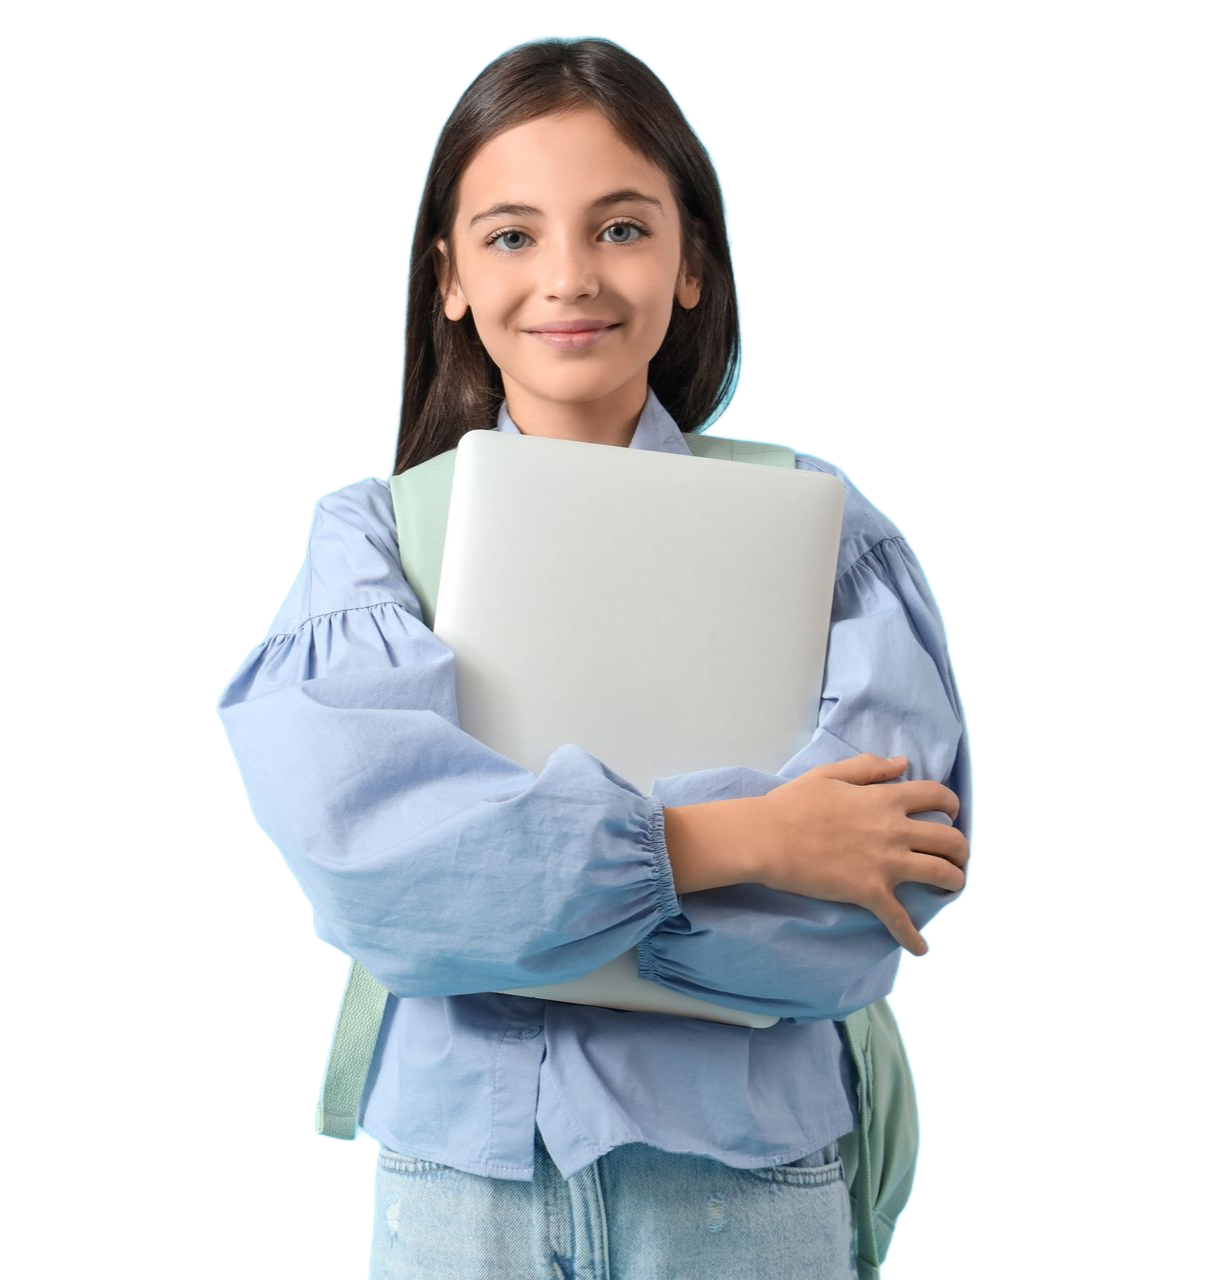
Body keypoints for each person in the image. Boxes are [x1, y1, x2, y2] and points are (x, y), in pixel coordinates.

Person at [215, 33, 972, 1280]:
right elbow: (377, 884)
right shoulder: (370, 537)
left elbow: (860, 913)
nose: (568, 276)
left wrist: (511, 878)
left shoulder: (823, 525)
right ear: (447, 274)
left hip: (749, 1179)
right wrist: (744, 839)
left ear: (688, 263)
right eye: (513, 235)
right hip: (463, 1186)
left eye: (620, 227)